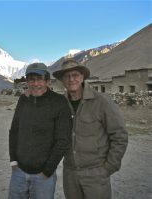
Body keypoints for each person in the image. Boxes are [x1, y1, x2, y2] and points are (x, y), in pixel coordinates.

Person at [52, 59, 128, 199]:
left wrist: (108, 167)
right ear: (62, 80)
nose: (71, 79)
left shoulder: (102, 102)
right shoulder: (59, 104)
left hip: (96, 173)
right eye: (66, 76)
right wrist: (28, 94)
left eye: (75, 75)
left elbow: (119, 136)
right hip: (70, 173)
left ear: (82, 77)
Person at [8, 63, 72, 199]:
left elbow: (63, 140)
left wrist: (47, 171)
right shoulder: (23, 99)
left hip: (43, 176)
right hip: (19, 171)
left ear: (48, 81)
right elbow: (14, 131)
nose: (36, 84)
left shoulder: (59, 102)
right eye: (31, 79)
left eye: (40, 79)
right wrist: (13, 161)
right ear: (27, 82)